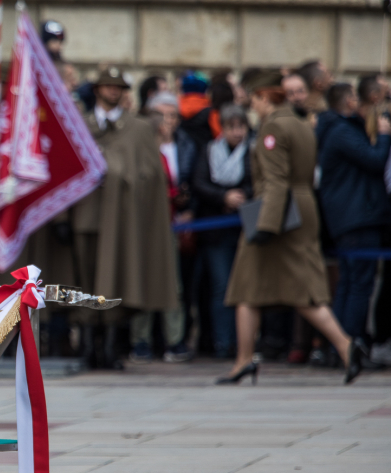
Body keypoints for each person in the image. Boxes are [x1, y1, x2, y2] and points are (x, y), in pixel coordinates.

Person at [220, 71, 365, 385]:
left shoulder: (273, 127)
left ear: (265, 97)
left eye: (254, 99)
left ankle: (245, 360)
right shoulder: (300, 123)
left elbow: (275, 181)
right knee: (297, 289)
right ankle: (345, 346)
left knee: (247, 288)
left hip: (279, 212)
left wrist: (266, 225)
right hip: (300, 207)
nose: (252, 106)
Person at [72, 68, 179, 369]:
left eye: (118, 87)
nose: (113, 91)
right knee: (84, 279)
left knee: (116, 281)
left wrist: (122, 177)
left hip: (121, 220)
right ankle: (86, 345)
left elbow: (151, 175)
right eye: (107, 86)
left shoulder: (138, 128)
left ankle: (111, 347)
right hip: (86, 215)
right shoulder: (80, 125)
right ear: (97, 90)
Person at [315, 83, 391, 342]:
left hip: (351, 217)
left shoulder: (340, 129)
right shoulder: (342, 131)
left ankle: (342, 346)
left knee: (350, 283)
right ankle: (351, 344)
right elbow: (374, 160)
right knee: (358, 285)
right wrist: (383, 136)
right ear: (351, 102)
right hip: (356, 218)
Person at [129, 92, 195, 363]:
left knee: (172, 284)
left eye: (171, 116)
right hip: (143, 225)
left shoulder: (183, 146)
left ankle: (174, 339)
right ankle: (140, 339)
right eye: (162, 117)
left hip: (169, 224)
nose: (167, 122)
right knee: (141, 282)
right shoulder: (140, 150)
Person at [192, 104, 253, 358]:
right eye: (232, 127)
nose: (237, 132)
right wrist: (223, 197)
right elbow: (199, 182)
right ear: (223, 129)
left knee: (245, 287)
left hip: (244, 228)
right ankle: (222, 341)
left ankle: (244, 343)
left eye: (241, 127)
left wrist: (242, 196)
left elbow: (257, 181)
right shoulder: (209, 151)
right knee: (220, 286)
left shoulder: (252, 152)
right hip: (215, 229)